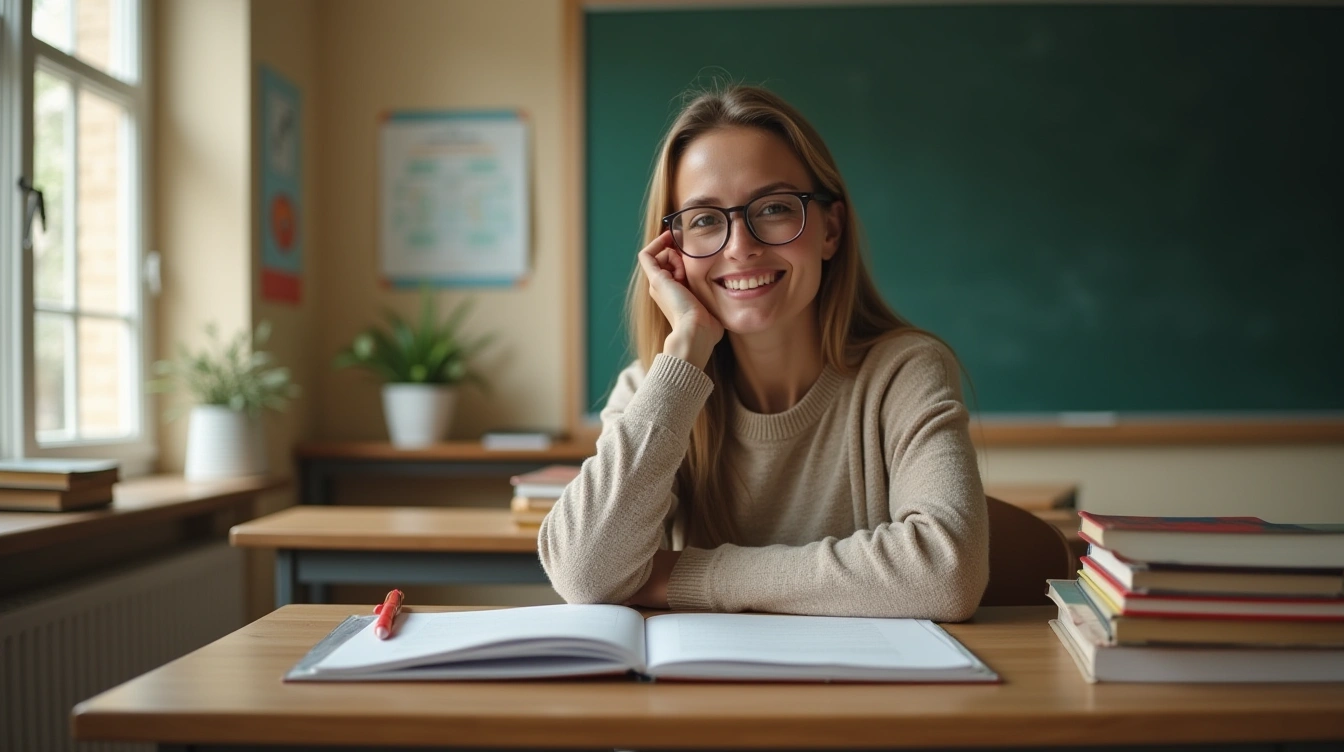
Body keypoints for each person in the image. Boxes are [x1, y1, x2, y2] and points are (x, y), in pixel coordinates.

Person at [539, 85, 988, 620]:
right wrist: (686, 348)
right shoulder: (653, 390)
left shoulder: (904, 372)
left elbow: (947, 573)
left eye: (774, 208)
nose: (739, 247)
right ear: (673, 251)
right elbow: (584, 572)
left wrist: (681, 576)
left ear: (830, 229)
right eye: (704, 219)